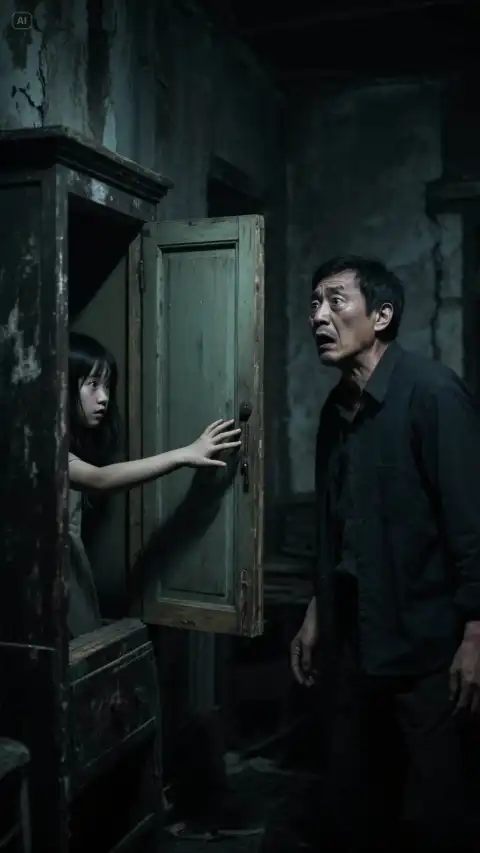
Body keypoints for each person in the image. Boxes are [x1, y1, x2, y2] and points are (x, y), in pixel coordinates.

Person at [289, 256, 480, 852]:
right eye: (314, 304)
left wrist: (476, 635)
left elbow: (471, 523)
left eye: (335, 301)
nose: (319, 317)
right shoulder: (335, 412)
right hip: (356, 642)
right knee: (356, 801)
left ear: (382, 315)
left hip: (427, 645)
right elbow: (333, 526)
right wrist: (316, 612)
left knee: (437, 808)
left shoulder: (434, 393)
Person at [68, 331, 241, 638]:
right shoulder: (44, 445)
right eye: (92, 385)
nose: (104, 397)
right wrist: (184, 454)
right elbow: (99, 479)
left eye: (106, 385)